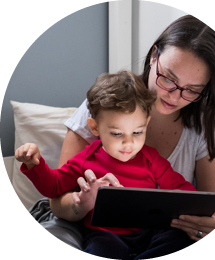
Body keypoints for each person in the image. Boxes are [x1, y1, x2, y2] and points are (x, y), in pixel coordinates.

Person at [42, 14, 215, 250]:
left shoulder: (204, 127)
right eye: (168, 79)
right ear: (154, 56)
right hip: (97, 234)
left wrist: (212, 222)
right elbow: (58, 200)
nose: (174, 97)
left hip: (163, 237)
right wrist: (80, 203)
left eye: (193, 90)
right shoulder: (106, 105)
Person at [16, 70, 197, 259]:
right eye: (117, 134)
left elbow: (180, 188)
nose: (129, 144)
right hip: (104, 235)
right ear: (95, 127)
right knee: (102, 249)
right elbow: (53, 186)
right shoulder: (87, 159)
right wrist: (34, 163)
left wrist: (203, 207)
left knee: (182, 239)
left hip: (148, 233)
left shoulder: (152, 159)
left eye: (137, 132)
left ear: (146, 123)